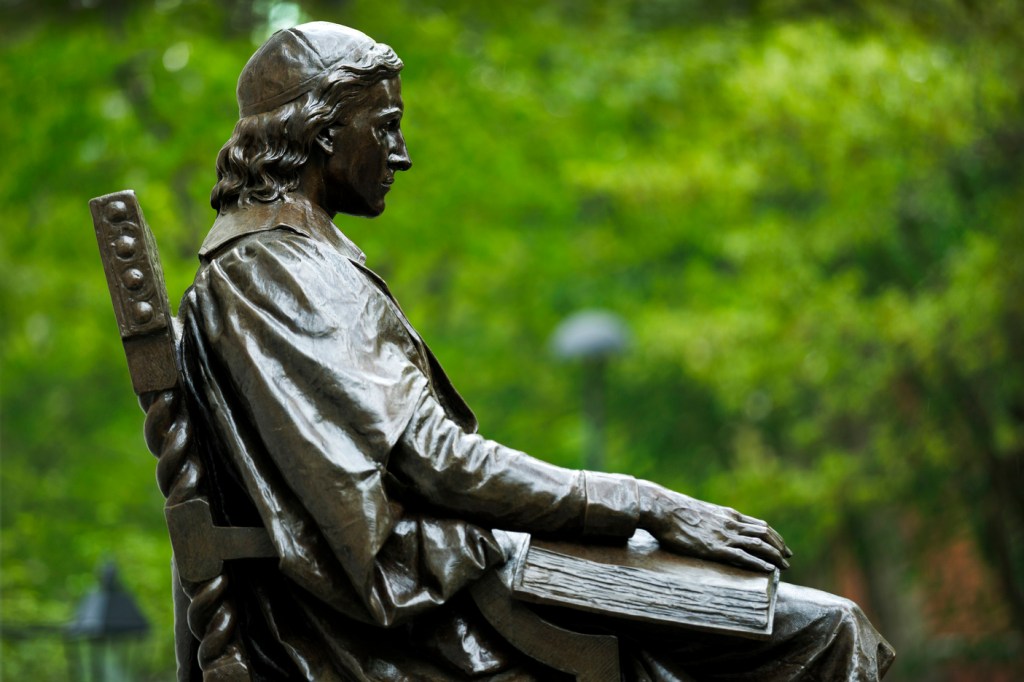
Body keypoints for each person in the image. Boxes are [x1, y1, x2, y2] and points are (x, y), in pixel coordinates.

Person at [178, 21, 895, 680]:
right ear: (324, 133)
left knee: (798, 620)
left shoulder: (282, 265)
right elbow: (434, 460)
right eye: (386, 127)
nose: (402, 154)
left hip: (462, 578)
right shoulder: (279, 272)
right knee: (824, 633)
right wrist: (643, 503)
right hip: (436, 606)